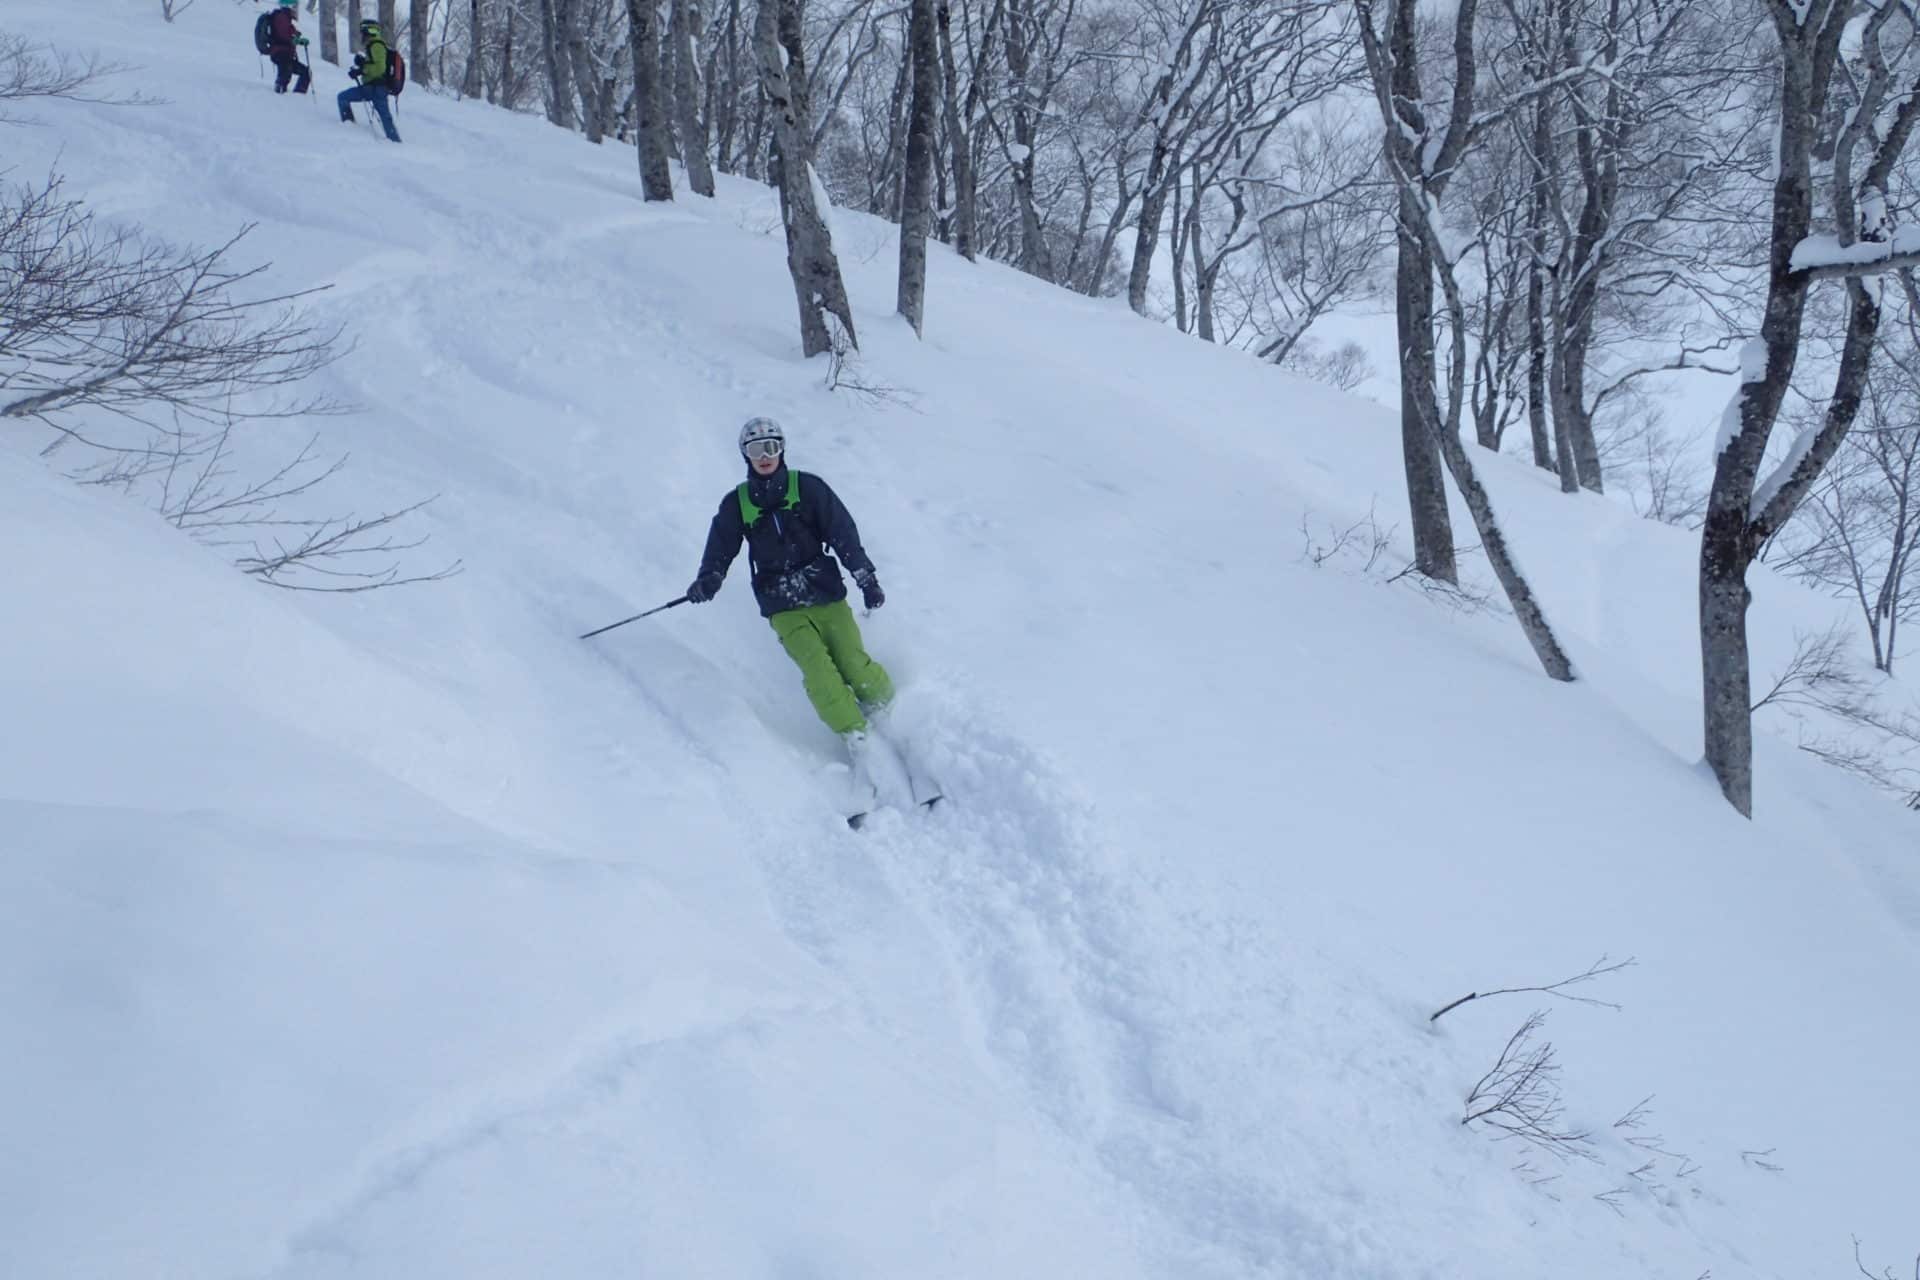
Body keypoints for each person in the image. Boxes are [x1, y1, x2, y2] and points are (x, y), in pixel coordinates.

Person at [687, 418, 894, 747]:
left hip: (825, 591)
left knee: (853, 663)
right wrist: (709, 578)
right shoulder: (737, 504)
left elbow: (842, 534)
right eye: (756, 449)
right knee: (819, 673)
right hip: (781, 602)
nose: (764, 456)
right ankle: (859, 738)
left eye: (771, 447)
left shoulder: (809, 488)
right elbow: (720, 547)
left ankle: (890, 713)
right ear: (745, 454)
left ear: (782, 449)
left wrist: (865, 578)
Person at [337, 19, 401, 142]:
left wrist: (362, 70)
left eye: (363, 32)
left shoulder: (376, 45)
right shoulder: (374, 45)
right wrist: (361, 67)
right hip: (375, 88)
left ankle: (349, 127)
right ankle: (395, 141)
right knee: (385, 116)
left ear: (369, 31)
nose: (361, 35)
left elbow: (380, 68)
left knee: (343, 97)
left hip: (376, 88)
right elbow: (373, 65)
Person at [265, 0, 311, 95]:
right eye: (294, 6)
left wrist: (296, 36)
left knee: (305, 72)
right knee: (285, 77)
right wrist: (296, 40)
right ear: (288, 6)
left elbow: (289, 33)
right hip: (280, 53)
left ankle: (297, 97)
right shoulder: (281, 18)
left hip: (285, 54)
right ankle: (279, 95)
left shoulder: (285, 18)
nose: (295, 10)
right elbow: (283, 36)